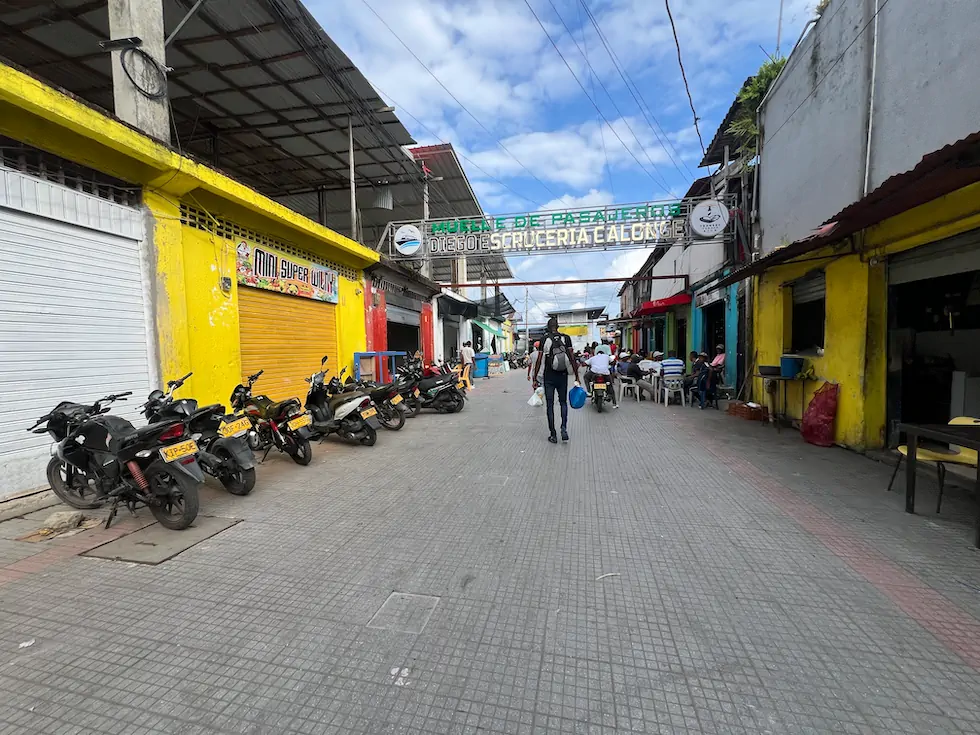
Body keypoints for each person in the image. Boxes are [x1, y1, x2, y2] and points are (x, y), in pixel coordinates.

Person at [533, 317, 581, 443]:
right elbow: (572, 358)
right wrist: (577, 376)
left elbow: (539, 360)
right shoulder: (566, 338)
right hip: (563, 376)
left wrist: (534, 377)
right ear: (558, 326)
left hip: (549, 376)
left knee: (550, 405)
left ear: (548, 327)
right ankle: (564, 428)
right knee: (563, 403)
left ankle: (553, 434)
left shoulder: (544, 339)